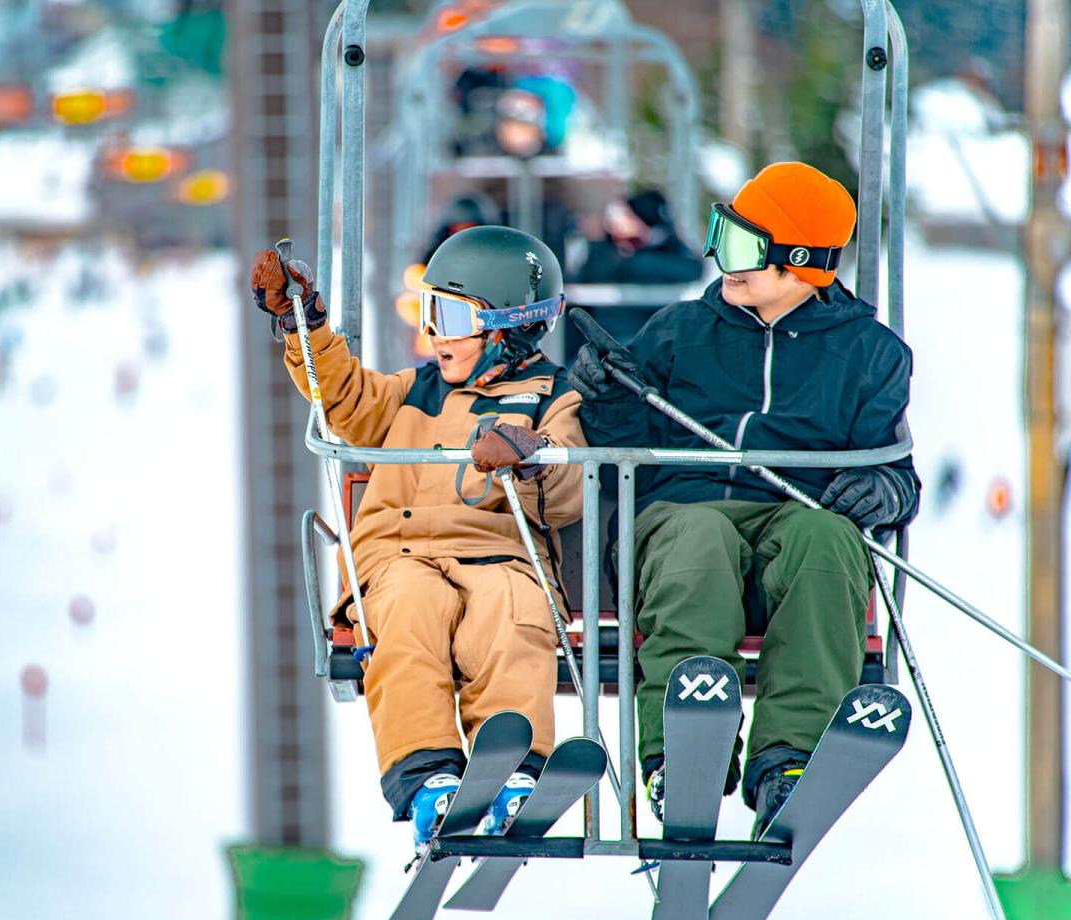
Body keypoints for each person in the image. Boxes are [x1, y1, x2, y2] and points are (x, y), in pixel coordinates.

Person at [567, 161, 920, 837]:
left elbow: (899, 476)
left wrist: (877, 491)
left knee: (828, 540)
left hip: (790, 538)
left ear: (800, 262)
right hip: (678, 527)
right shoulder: (678, 332)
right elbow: (621, 458)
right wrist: (606, 396)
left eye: (739, 246)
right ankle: (682, 746)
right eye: (719, 237)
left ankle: (787, 758)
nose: (717, 260)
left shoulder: (870, 356)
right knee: (701, 538)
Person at [250, 226, 585, 857]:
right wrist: (304, 325)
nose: (433, 333)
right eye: (428, 312)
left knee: (512, 619)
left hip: (501, 552)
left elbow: (571, 478)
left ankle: (513, 768)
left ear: (510, 324)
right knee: (407, 616)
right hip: (399, 555)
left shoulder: (550, 399)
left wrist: (532, 457)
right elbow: (343, 396)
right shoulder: (414, 390)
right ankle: (427, 774)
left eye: (451, 316)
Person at [567, 187, 705, 349]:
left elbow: (692, 269)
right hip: (604, 340)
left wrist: (635, 258)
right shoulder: (605, 249)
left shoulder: (667, 249)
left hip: (651, 341)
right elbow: (588, 279)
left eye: (626, 217)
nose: (617, 222)